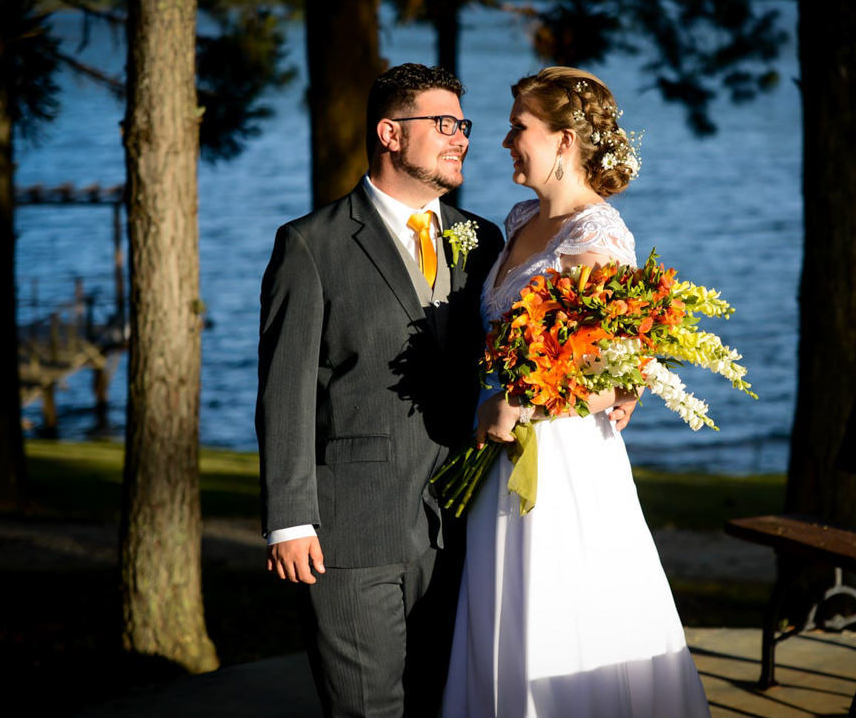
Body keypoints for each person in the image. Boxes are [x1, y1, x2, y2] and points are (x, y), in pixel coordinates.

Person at [441, 67, 711, 717]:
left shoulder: (599, 239)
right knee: (500, 615)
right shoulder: (521, 215)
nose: (504, 141)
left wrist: (521, 401)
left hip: (562, 465)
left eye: (518, 128)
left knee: (558, 613)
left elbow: (611, 385)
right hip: (502, 452)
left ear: (564, 140)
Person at [255, 63, 504, 717]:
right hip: (353, 527)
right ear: (391, 133)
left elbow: (510, 358)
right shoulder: (311, 246)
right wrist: (289, 519)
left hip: (463, 524)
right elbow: (285, 392)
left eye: (463, 125)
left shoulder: (481, 238)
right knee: (368, 709)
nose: (461, 139)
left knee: (446, 703)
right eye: (443, 124)